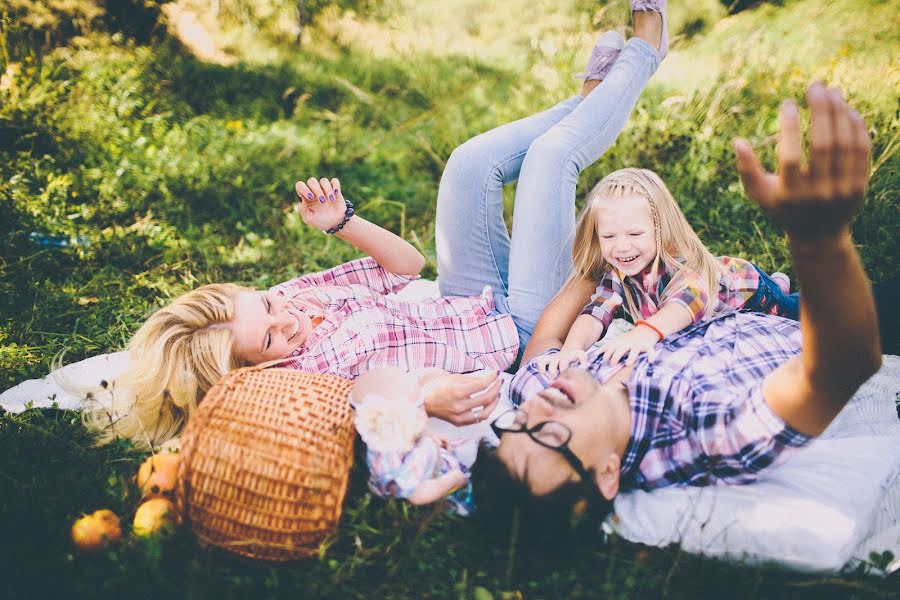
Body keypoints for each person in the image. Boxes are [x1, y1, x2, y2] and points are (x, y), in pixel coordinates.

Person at [82, 1, 669, 449]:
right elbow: (375, 408)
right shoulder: (299, 382)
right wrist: (424, 399)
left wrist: (343, 222)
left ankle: (591, 99)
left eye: (265, 304)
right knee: (550, 160)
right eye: (268, 339)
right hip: (517, 332)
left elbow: (409, 268)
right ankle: (644, 52)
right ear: (247, 374)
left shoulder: (286, 301)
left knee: (467, 162)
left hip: (465, 298)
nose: (286, 319)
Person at [492, 83, 882, 502]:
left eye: (515, 423)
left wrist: (604, 250)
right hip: (815, 317)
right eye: (548, 433)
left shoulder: (542, 389)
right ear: (607, 476)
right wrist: (820, 242)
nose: (536, 410)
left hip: (734, 291)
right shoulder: (706, 433)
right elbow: (843, 365)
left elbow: (550, 339)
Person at [536, 166, 799, 376]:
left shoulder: (682, 264)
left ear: (661, 230)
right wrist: (572, 348)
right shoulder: (618, 272)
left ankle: (781, 288)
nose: (621, 246)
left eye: (635, 233)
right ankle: (780, 281)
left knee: (799, 315)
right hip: (715, 308)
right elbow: (595, 312)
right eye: (608, 236)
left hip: (751, 292)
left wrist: (645, 332)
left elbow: (684, 304)